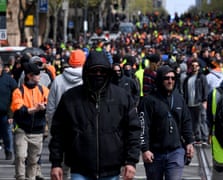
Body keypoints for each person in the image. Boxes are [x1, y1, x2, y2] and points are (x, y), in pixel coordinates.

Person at [49, 51, 141, 180]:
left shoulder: (121, 97)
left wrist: (131, 161)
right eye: (94, 71)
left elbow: (133, 130)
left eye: (102, 71)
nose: (98, 75)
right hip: (80, 168)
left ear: (108, 73)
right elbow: (59, 132)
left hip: (111, 168)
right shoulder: (70, 98)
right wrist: (56, 162)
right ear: (87, 72)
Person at [139, 65, 194, 180]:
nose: (170, 81)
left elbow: (186, 121)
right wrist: (145, 149)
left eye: (173, 78)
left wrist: (189, 142)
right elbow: (143, 126)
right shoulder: (148, 101)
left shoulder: (179, 98)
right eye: (166, 78)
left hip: (176, 151)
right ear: (159, 80)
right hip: (154, 153)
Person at [46, 49, 86, 180]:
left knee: (61, 171)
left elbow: (50, 108)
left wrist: (53, 129)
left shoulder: (58, 81)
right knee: (81, 170)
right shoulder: (87, 81)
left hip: (62, 132)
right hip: (83, 133)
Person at [10, 62, 49, 180]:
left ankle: (30, 178)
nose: (40, 77)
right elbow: (19, 109)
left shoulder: (44, 90)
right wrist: (34, 109)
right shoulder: (19, 91)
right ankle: (20, 177)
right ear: (30, 76)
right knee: (20, 156)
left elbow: (49, 104)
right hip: (22, 129)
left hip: (37, 131)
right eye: (37, 74)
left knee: (33, 161)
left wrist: (43, 108)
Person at [183, 59, 209, 144]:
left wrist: (205, 101)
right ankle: (197, 138)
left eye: (196, 66)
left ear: (199, 67)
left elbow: (205, 89)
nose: (194, 67)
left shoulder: (201, 77)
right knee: (193, 121)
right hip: (190, 103)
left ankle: (204, 138)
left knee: (201, 120)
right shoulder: (187, 78)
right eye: (192, 66)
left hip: (199, 102)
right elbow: (184, 91)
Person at [0, 58, 17, 160]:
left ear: (1, 67)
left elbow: (15, 97)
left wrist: (11, 114)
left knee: (7, 133)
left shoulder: (9, 80)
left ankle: (8, 151)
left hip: (5, 113)